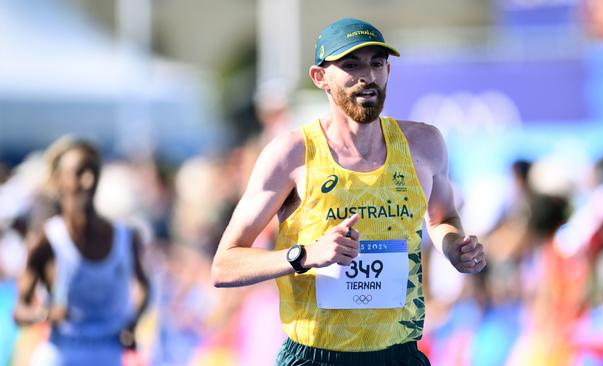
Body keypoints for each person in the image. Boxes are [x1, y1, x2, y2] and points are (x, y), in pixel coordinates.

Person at [211, 17, 486, 365]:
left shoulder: (424, 145)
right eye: (350, 64)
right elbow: (224, 265)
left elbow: (443, 216)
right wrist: (305, 256)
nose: (366, 77)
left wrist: (454, 248)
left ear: (389, 71)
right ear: (320, 78)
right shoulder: (293, 154)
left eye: (376, 64)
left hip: (398, 355)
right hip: (316, 356)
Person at [13, 137, 150, 366]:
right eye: (79, 172)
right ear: (58, 181)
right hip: (62, 354)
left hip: (109, 354)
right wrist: (44, 315)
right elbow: (19, 311)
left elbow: (145, 286)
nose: (89, 181)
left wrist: (133, 321)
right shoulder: (46, 241)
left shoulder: (126, 237)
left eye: (93, 171)